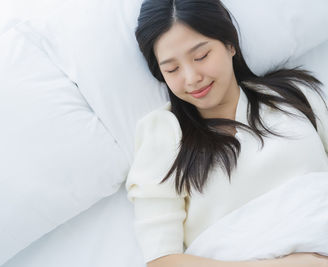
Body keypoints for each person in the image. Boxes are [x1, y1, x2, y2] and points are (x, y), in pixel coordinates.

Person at [124, 0, 328, 266]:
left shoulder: (294, 96)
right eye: (172, 69)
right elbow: (162, 259)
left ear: (229, 44)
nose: (191, 77)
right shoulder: (163, 133)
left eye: (201, 56)